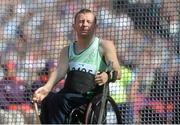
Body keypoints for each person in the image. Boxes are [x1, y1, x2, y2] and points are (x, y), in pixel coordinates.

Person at [32, 8, 120, 124]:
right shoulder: (67, 50)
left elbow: (118, 72)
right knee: (48, 99)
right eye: (81, 21)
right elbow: (59, 72)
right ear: (74, 26)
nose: (84, 24)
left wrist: (107, 76)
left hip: (90, 97)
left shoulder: (105, 46)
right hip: (68, 94)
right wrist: (46, 88)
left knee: (60, 100)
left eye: (88, 22)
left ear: (95, 26)